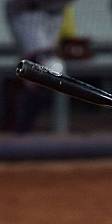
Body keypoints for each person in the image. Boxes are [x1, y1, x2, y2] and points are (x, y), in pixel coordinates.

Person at [5, 0, 72, 131]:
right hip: (27, 11)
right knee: (44, 66)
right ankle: (20, 123)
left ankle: (19, 122)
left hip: (54, 12)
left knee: (44, 69)